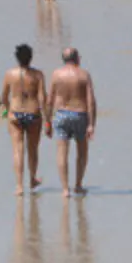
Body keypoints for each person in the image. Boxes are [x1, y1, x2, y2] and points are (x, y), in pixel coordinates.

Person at [46, 48, 97, 197]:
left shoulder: (56, 74)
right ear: (77, 59)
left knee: (62, 152)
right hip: (80, 114)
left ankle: (65, 189)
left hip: (61, 114)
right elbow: (91, 101)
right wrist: (92, 124)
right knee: (82, 152)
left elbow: (49, 100)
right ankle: (78, 185)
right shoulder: (84, 75)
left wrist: (47, 121)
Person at [2, 44, 47, 195]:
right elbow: (42, 98)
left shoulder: (10, 74)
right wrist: (47, 119)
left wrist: (7, 111)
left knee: (17, 150)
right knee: (33, 150)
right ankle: (33, 178)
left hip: (15, 113)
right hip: (33, 113)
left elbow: (4, 96)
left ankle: (19, 186)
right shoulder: (38, 75)